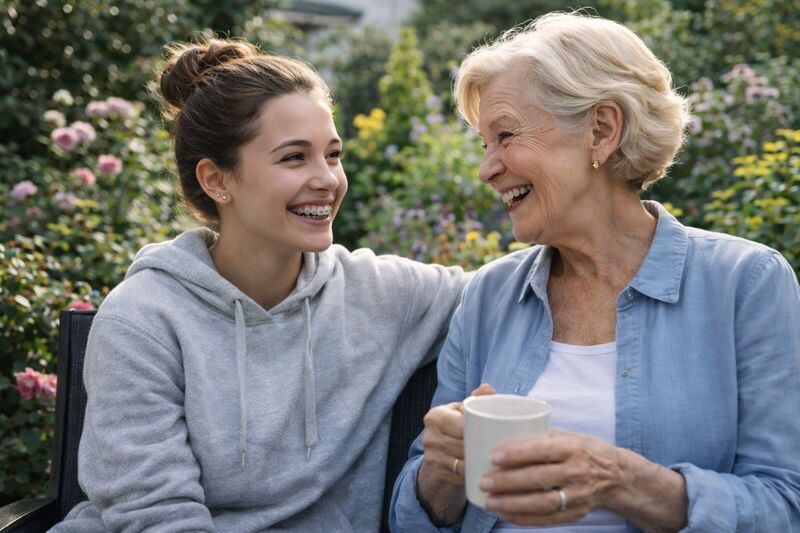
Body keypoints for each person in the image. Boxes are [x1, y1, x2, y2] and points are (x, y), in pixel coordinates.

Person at [390, 11, 800, 533]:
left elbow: (787, 506)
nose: (486, 168)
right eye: (484, 144)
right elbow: (412, 518)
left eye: (506, 135)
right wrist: (443, 467)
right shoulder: (489, 295)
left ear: (601, 131)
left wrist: (621, 481)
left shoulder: (746, 284)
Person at [51, 38, 469, 532]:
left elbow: (512, 291)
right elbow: (157, 518)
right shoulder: (142, 320)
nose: (327, 180)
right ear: (217, 180)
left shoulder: (379, 295)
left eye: (332, 155)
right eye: (294, 158)